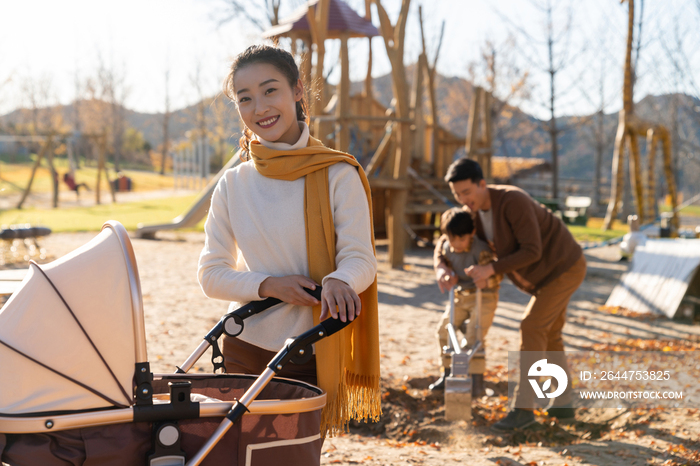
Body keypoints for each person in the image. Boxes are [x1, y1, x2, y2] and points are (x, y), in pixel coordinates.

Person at [197, 45, 381, 438]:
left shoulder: (337, 173)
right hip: (244, 346)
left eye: (269, 90)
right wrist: (269, 285)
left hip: (310, 352)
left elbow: (361, 258)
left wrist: (340, 280)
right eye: (245, 98)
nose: (259, 107)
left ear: (297, 90)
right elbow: (211, 275)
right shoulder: (233, 184)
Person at [434, 158, 586, 432]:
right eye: (457, 195)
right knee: (549, 334)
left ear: (483, 184)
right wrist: (440, 267)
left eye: (467, 192)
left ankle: (524, 409)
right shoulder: (475, 214)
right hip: (542, 279)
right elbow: (447, 240)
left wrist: (490, 268)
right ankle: (563, 403)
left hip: (564, 268)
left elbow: (532, 250)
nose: (463, 200)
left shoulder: (513, 201)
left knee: (531, 326)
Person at [430, 207, 500, 395]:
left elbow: (497, 275)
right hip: (460, 295)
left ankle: (477, 382)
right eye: (452, 239)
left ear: (472, 234)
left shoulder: (481, 250)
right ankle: (446, 374)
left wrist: (485, 279)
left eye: (462, 239)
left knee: (474, 337)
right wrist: (447, 274)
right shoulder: (446, 247)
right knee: (444, 331)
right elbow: (443, 262)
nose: (457, 244)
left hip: (483, 296)